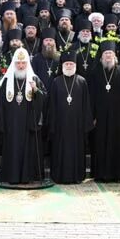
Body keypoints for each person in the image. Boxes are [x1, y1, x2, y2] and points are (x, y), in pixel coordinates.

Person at [0, 47, 46, 185]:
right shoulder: (7, 81)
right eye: (18, 63)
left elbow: (43, 100)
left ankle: (27, 176)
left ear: (27, 63)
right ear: (14, 64)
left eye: (23, 63)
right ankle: (12, 176)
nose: (21, 66)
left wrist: (35, 90)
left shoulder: (34, 79)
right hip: (12, 125)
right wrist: (3, 123)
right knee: (12, 148)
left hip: (28, 124)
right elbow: (0, 104)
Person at [47, 51, 93, 184]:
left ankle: (77, 176)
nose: (68, 66)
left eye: (71, 63)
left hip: (77, 126)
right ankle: (59, 176)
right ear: (62, 65)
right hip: (60, 126)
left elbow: (86, 105)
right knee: (60, 152)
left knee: (77, 152)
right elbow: (52, 105)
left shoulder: (82, 81)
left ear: (75, 65)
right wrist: (53, 125)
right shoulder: (56, 82)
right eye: (66, 63)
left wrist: (86, 125)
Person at [88, 42, 120, 182]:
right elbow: (91, 96)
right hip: (100, 116)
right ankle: (100, 174)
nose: (108, 56)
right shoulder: (95, 72)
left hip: (117, 116)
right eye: (105, 54)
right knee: (100, 143)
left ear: (115, 56)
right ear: (101, 56)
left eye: (110, 54)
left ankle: (117, 174)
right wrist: (92, 116)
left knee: (117, 144)